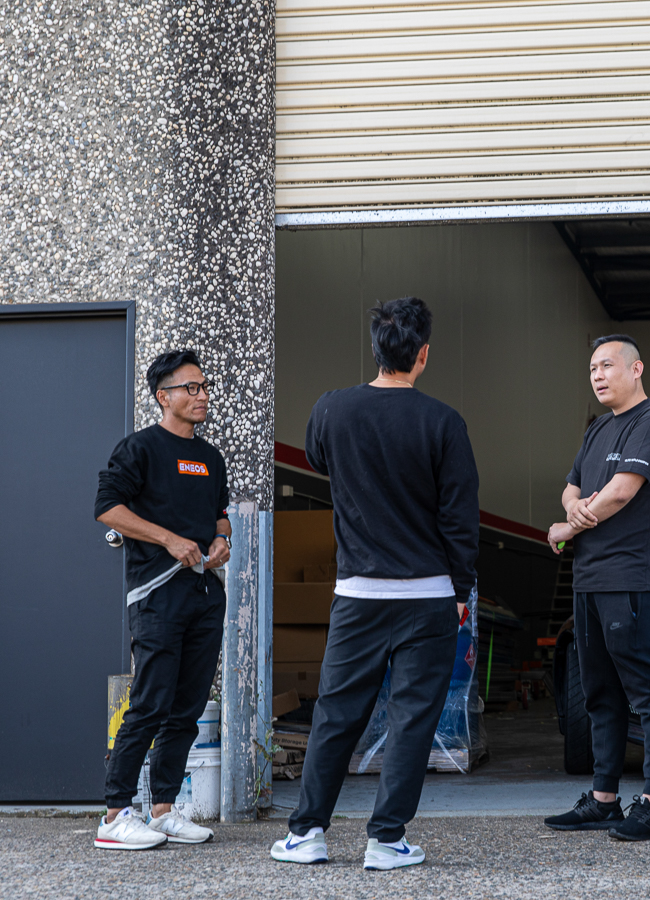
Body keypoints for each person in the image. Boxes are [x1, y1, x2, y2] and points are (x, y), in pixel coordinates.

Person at [270, 296, 479, 871]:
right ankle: (386, 841)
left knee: (336, 715)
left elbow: (320, 461)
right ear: (423, 354)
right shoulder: (444, 422)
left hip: (358, 594)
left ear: (375, 349)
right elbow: (460, 517)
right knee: (413, 720)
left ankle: (307, 834)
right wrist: (460, 590)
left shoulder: (332, 409)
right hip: (429, 596)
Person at [544, 334, 650, 841]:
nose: (598, 375)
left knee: (648, 690)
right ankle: (604, 800)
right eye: (592, 369)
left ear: (636, 369)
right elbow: (572, 486)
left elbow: (621, 492)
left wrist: (568, 527)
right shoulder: (598, 428)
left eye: (607, 366)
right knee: (599, 692)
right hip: (590, 578)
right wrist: (575, 508)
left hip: (632, 578)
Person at [94, 349, 231, 850]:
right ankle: (114, 816)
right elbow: (107, 508)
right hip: (156, 595)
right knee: (150, 703)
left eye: (204, 386)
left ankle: (164, 811)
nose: (202, 395)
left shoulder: (210, 458)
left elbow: (219, 514)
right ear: (163, 396)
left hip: (204, 594)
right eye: (191, 388)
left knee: (187, 707)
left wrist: (222, 538)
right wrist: (168, 539)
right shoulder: (140, 449)